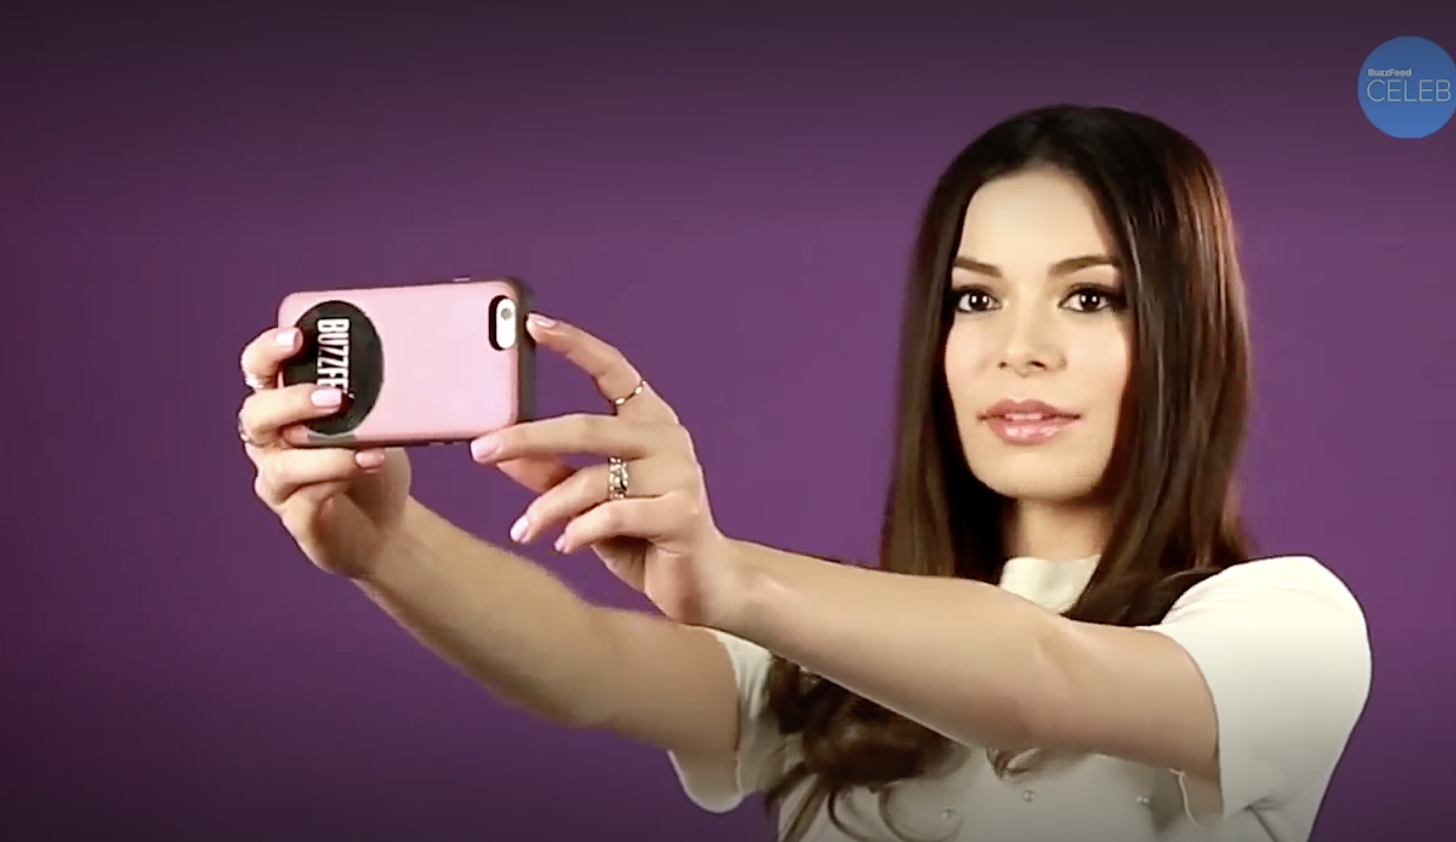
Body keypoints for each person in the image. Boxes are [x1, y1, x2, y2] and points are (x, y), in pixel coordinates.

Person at [235, 104, 1371, 842]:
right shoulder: (833, 644)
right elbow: (591, 663)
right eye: (975, 297)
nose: (1017, 345)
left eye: (1090, 294)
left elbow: (1048, 672)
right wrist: (387, 545)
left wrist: (729, 578)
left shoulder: (1285, 623)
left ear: (1187, 336)